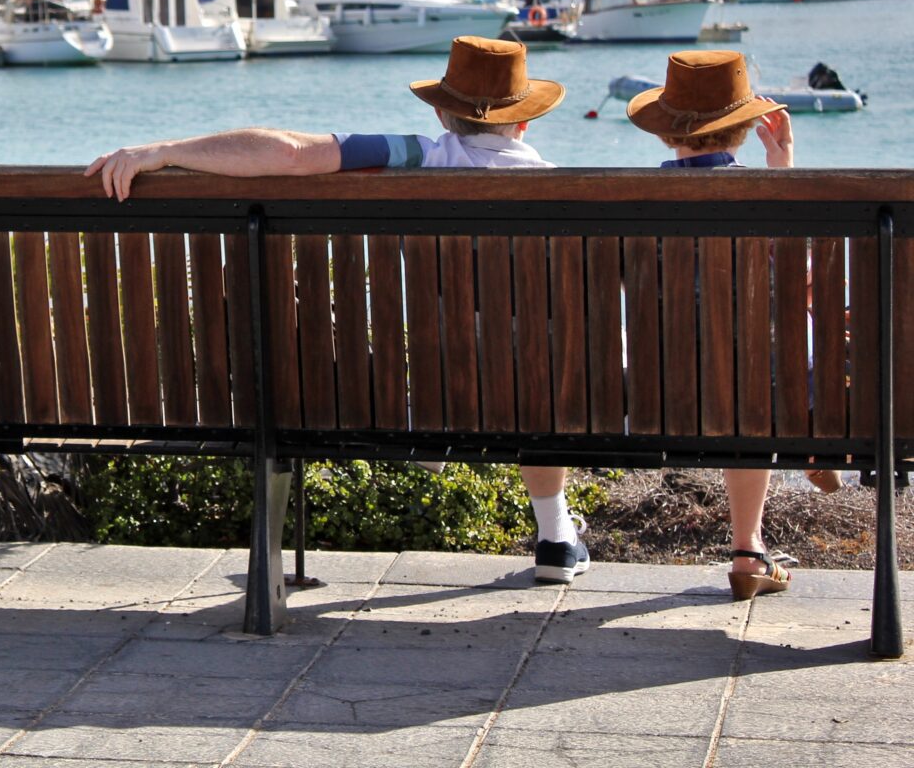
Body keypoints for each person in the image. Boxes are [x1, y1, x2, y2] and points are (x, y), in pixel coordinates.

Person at [86, 35, 595, 585]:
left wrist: (161, 151)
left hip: (432, 380)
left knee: (464, 343)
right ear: (523, 124)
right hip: (540, 393)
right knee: (537, 354)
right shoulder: (563, 186)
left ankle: (436, 420)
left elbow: (290, 153)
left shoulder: (419, 156)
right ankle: (556, 537)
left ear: (443, 116)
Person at [626, 49, 839, 601]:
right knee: (770, 364)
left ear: (664, 131)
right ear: (747, 128)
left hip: (656, 389)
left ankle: (798, 449)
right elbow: (806, 283)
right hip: (760, 394)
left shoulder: (630, 203)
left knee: (736, 363)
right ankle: (753, 539)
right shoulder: (765, 200)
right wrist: (783, 170)